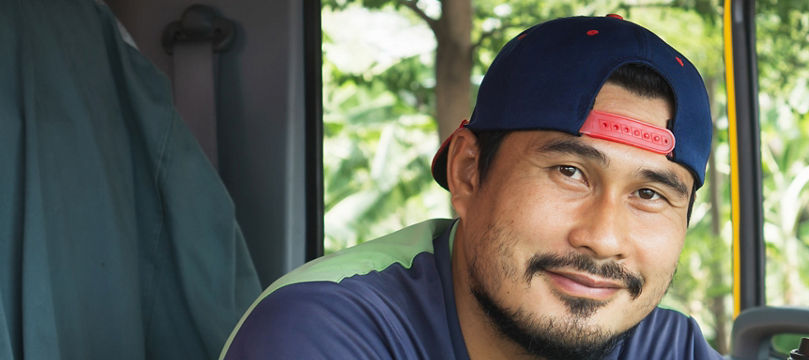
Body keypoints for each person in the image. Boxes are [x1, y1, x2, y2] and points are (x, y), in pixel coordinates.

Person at [221, 15, 720, 359]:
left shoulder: (660, 344)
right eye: (569, 171)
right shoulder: (320, 329)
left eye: (650, 194)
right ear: (467, 172)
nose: (604, 238)